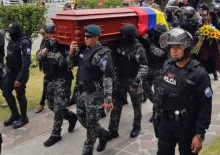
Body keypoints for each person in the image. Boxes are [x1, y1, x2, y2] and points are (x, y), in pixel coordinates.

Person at [153, 28, 212, 155]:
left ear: (187, 48)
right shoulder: (167, 65)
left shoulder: (199, 74)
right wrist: (157, 118)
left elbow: (205, 106)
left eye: (178, 47)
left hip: (186, 126)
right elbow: (160, 93)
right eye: (171, 47)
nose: (173, 51)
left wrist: (199, 134)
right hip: (166, 123)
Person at [67, 24, 114, 154]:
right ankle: (104, 135)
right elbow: (70, 65)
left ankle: (87, 150)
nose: (86, 39)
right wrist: (71, 53)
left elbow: (108, 77)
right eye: (85, 36)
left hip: (94, 94)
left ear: (97, 37)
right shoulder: (83, 49)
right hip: (81, 92)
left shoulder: (103, 53)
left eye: (89, 37)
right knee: (82, 119)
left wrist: (108, 100)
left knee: (91, 126)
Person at [39, 23, 78, 147]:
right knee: (50, 104)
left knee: (58, 107)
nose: (49, 36)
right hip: (50, 78)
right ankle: (71, 117)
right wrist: (47, 49)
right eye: (47, 34)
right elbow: (38, 57)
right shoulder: (46, 42)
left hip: (63, 79)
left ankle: (56, 134)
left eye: (51, 33)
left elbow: (67, 65)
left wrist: (56, 50)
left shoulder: (64, 44)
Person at [109, 24, 148, 139]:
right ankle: (113, 130)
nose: (120, 36)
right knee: (116, 106)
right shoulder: (118, 44)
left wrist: (136, 82)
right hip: (119, 79)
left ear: (128, 36)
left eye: (123, 34)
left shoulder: (138, 48)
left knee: (137, 106)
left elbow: (144, 67)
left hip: (133, 80)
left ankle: (137, 126)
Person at [3, 22, 32, 129]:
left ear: (17, 32)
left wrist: (19, 78)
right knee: (6, 91)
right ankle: (15, 114)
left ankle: (24, 118)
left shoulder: (25, 43)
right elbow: (9, 56)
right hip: (10, 73)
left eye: (11, 32)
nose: (9, 34)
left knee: (20, 94)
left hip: (20, 74)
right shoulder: (11, 41)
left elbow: (26, 62)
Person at [35, 28, 48, 113]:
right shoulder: (44, 40)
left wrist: (40, 54)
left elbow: (42, 54)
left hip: (52, 69)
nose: (42, 35)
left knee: (46, 85)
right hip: (46, 68)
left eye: (44, 33)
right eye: (41, 34)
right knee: (46, 85)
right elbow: (39, 52)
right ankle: (42, 103)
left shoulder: (52, 41)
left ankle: (42, 103)